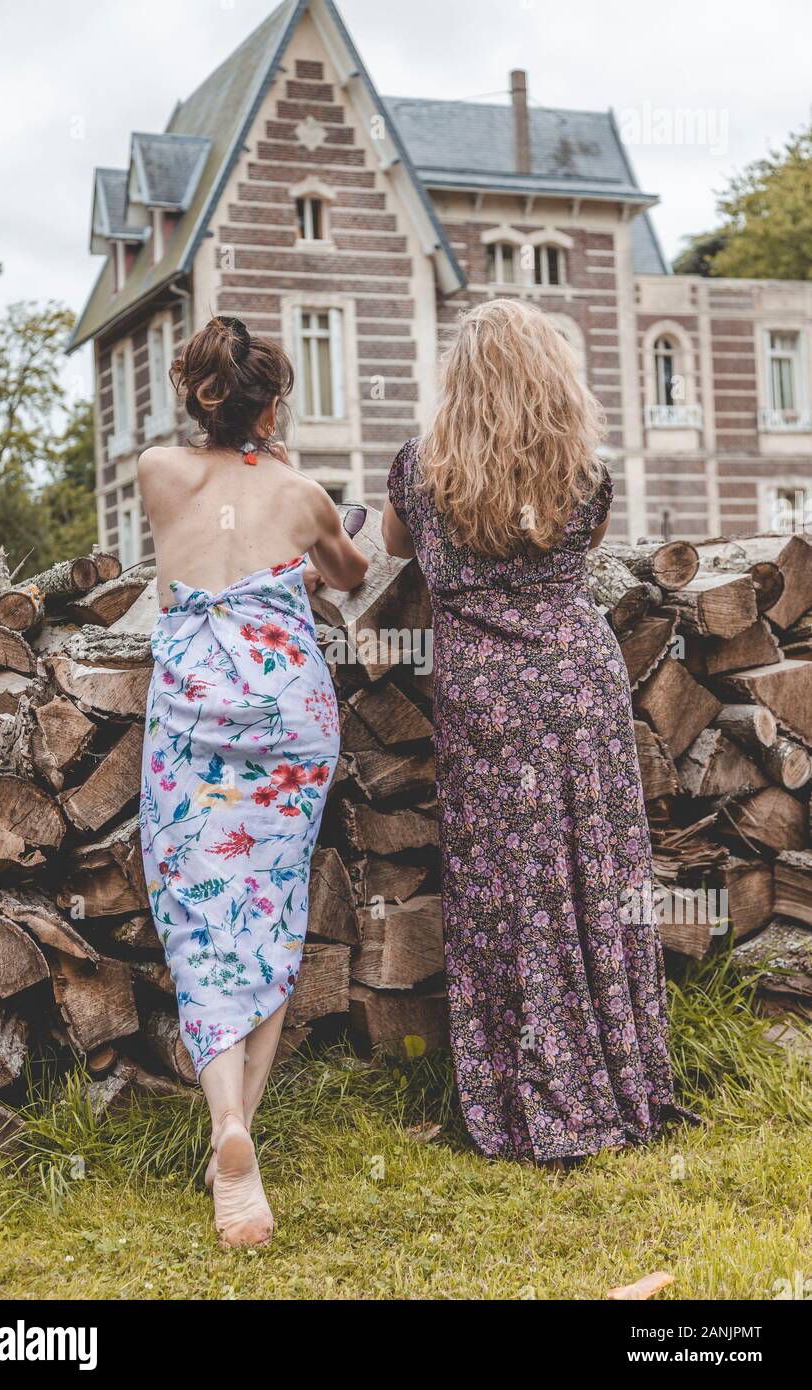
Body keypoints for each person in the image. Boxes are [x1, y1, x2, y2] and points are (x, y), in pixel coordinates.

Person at [383, 298, 685, 1165]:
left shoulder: (421, 469)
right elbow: (581, 550)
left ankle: (534, 1099)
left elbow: (399, 548)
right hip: (578, 681)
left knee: (509, 892)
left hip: (485, 696)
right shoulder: (583, 471)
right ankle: (622, 1082)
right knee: (600, 878)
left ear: (459, 380)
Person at [138, 316, 368, 1247]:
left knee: (200, 917)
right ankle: (238, 1134)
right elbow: (348, 575)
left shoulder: (160, 472)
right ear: (274, 404)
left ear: (197, 394)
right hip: (287, 715)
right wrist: (315, 510)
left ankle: (228, 1129)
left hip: (192, 712)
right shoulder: (303, 493)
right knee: (269, 911)